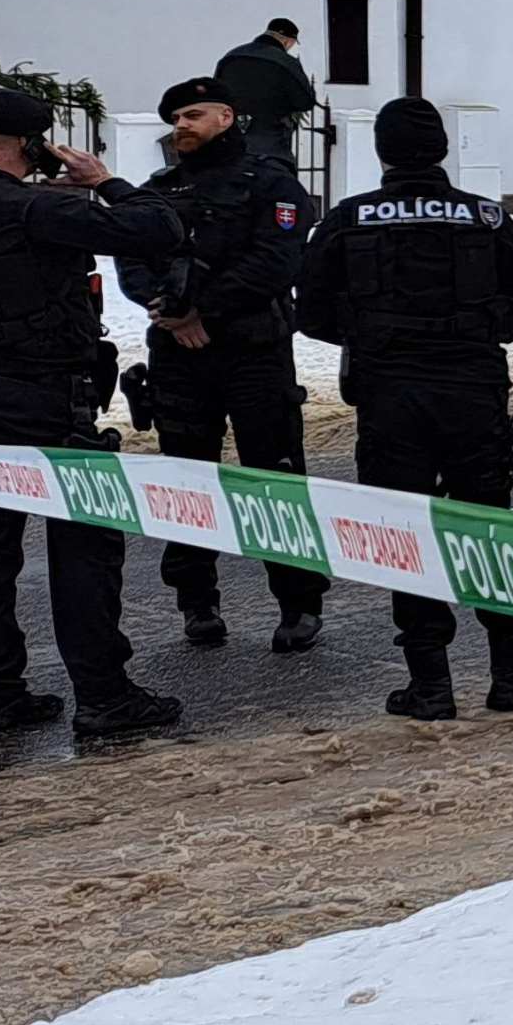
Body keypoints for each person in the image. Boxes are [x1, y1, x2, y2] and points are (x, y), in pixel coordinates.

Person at [0, 88, 189, 739]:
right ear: (32, 145)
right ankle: (103, 694)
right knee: (84, 542)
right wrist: (106, 181)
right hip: (40, 395)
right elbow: (160, 230)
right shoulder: (38, 208)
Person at [296, 98, 513, 720]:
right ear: (442, 150)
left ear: (381, 152)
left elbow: (310, 311)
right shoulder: (486, 218)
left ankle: (430, 685)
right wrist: (476, 330)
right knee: (491, 533)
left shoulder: (349, 220)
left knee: (405, 536)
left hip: (390, 402)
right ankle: (509, 674)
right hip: (473, 395)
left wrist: (374, 336)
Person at [122, 76, 327, 652]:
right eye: (176, 118)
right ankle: (197, 603)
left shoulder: (270, 183)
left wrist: (200, 310)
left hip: (253, 353)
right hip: (179, 359)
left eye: (193, 114)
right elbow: (134, 262)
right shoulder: (158, 189)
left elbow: (276, 261)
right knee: (186, 482)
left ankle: (298, 603)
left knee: (273, 480)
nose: (181, 125)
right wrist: (169, 311)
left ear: (227, 116)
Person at [214, 19, 322, 169]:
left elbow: (216, 95)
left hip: (231, 139)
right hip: (272, 143)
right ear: (288, 42)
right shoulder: (286, 62)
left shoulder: (230, 57)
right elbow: (305, 101)